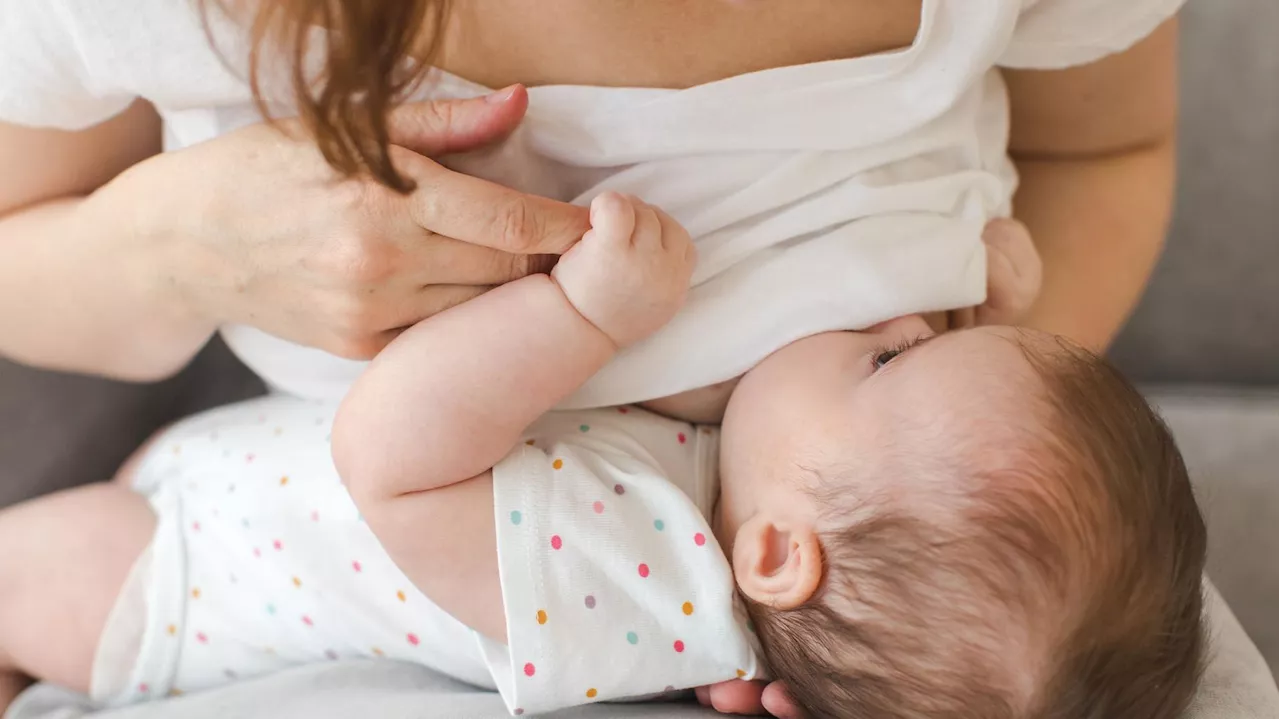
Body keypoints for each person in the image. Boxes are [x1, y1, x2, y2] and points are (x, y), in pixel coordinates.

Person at [0, 0, 1186, 715]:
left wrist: (583, 318)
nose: (909, 330)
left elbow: (397, 455)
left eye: (893, 361)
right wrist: (178, 241)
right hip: (243, 500)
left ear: (776, 553)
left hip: (204, 572)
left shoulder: (641, 558)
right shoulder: (754, 521)